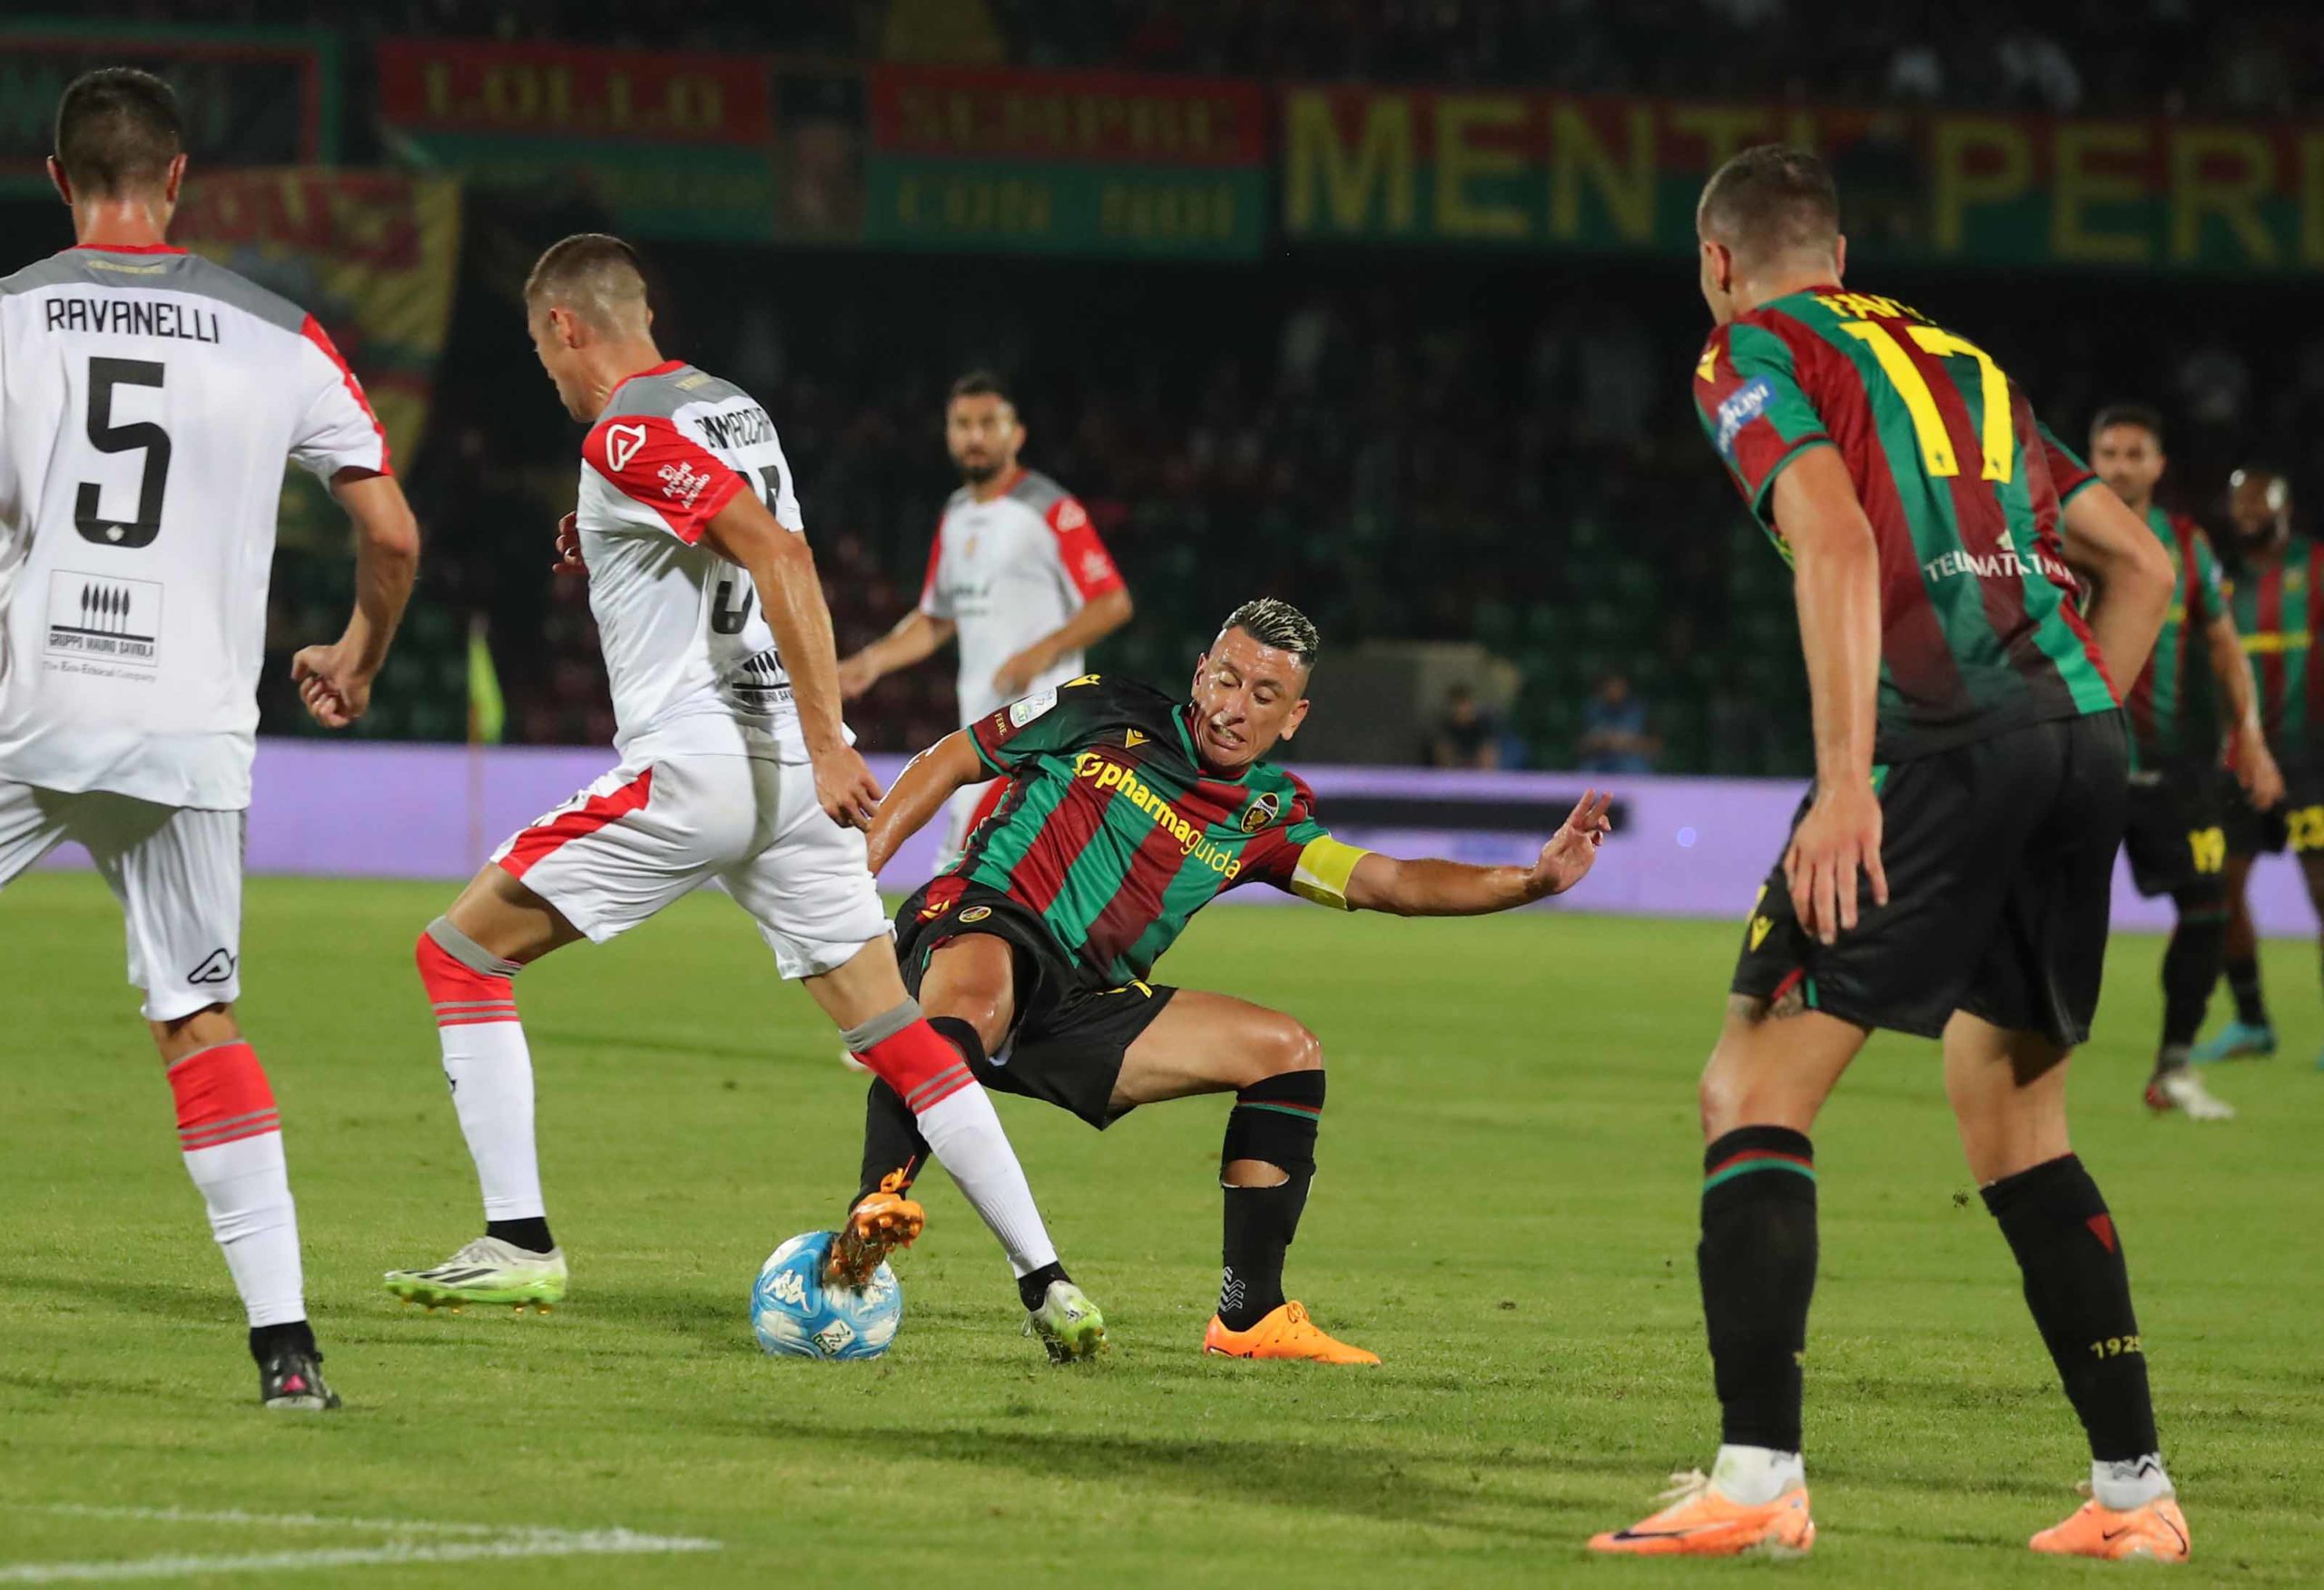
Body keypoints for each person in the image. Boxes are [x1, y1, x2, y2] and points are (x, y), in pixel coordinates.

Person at [1590, 146, 2185, 1562]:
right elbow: (2146, 568)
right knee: (2015, 1119)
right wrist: (2061, 728)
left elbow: (1840, 545)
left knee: (1751, 1086)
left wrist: (1851, 784)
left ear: (1718, 263)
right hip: (2078, 738)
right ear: (1841, 256)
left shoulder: (1749, 352)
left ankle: (1758, 1481)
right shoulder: (1966, 363)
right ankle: (2135, 1497)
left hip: (1934, 748)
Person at [380, 236, 1105, 1363]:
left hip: (705, 764)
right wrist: (606, 535)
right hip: (787, 788)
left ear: (566, 327)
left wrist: (826, 739)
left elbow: (777, 556)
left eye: (540, 349)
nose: (548, 373)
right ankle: (1048, 1282)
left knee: (459, 955)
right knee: (898, 1035)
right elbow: (729, 539)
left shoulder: (620, 432)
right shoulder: (734, 410)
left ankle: (517, 1240)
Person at [823, 600, 1613, 1363]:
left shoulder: (1265, 814)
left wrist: (1529, 883)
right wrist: (854, 890)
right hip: (983, 918)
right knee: (978, 999)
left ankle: (1250, 1316)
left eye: (1264, 695)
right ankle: (879, 1202)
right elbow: (955, 758)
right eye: (1227, 680)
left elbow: (1391, 881)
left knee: (1285, 1052)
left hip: (1085, 1001)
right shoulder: (1103, 707)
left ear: (1293, 718)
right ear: (1200, 673)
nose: (1234, 708)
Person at [0, 69, 419, 1409]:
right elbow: (391, 532)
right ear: (180, 181)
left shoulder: (10, 317)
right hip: (187, 728)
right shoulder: (280, 334)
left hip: (30, 705)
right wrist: (358, 654)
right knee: (199, 1019)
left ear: (56, 179)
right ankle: (287, 1353)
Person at [837, 371, 1133, 869]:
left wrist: (1042, 651)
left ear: (1016, 435)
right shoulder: (955, 514)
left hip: (1041, 728)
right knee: (980, 874)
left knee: (958, 869)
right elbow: (937, 618)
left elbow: (1112, 602)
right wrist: (870, 662)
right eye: (963, 424)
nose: (974, 436)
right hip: (978, 730)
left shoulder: (1049, 508)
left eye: (988, 423)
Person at [2086, 407, 2280, 1120]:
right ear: (2091, 458)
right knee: (2039, 914)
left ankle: (2173, 1069)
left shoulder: (2188, 545)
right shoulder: (2057, 530)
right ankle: (2014, 1067)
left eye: (2134, 453)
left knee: (2207, 910)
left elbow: (2224, 646)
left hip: (2174, 769)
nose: (2120, 466)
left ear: (2158, 465)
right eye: (2109, 452)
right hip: (2082, 764)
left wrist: (2250, 737)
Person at [2199, 468, 2324, 1066]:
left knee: (2322, 887)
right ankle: (2251, 1022)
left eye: (2260, 501)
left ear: (2285, 507)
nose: (2247, 510)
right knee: (2221, 890)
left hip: (2312, 760)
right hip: (2239, 763)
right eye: (2239, 500)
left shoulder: (2316, 568)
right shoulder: (2217, 578)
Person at [1577, 672, 1656, 772]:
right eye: (1610, 687)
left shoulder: (1640, 711)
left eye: (1618, 687)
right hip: (1598, 762)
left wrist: (1627, 742)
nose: (1614, 691)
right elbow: (1580, 747)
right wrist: (1597, 742)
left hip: (1631, 764)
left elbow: (1654, 747)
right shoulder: (1592, 711)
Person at [1428, 683, 1499, 768]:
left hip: (1476, 766)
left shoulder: (1482, 726)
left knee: (1488, 752)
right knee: (1443, 748)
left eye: (1464, 704)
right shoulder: (1445, 727)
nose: (1461, 709)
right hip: (1453, 767)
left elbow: (1488, 752)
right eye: (1458, 705)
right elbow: (1441, 753)